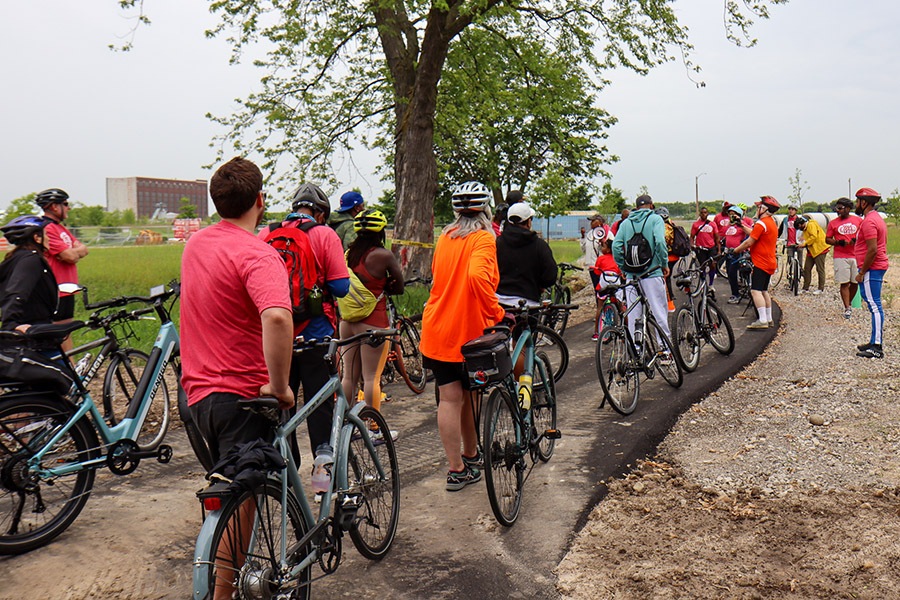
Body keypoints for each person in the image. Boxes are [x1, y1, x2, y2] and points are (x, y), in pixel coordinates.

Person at [180, 156, 294, 467]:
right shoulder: (259, 254)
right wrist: (280, 387)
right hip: (244, 397)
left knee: (226, 487)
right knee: (245, 499)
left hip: (198, 396)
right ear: (260, 200)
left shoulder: (196, 244)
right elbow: (277, 317)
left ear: (217, 204)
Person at [420, 181, 505, 491]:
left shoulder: (445, 236)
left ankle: (462, 463)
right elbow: (477, 277)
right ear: (485, 209)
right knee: (469, 394)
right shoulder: (484, 239)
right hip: (467, 331)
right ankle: (466, 459)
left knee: (451, 396)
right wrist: (496, 313)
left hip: (436, 326)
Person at [262, 183, 351, 455]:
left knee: (281, 404)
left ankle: (285, 469)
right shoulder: (324, 234)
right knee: (319, 401)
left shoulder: (267, 232)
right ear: (321, 214)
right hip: (316, 332)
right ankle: (323, 462)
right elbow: (341, 288)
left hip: (276, 335)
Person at [339, 209, 404, 414]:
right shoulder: (383, 255)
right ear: (381, 231)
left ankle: (344, 424)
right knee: (371, 378)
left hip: (347, 322)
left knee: (348, 376)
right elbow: (399, 287)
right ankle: (374, 428)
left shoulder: (348, 254)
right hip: (373, 323)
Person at [612, 194, 673, 344]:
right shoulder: (656, 219)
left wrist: (623, 267)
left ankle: (637, 352)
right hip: (652, 273)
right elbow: (659, 242)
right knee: (659, 311)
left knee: (633, 315)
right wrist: (664, 263)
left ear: (637, 207)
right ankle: (664, 348)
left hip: (632, 275)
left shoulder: (626, 223)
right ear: (651, 205)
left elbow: (616, 246)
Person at [35, 188, 88, 351]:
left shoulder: (61, 228)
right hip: (55, 290)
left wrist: (73, 252)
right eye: (65, 204)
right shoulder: (47, 228)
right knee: (58, 334)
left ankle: (69, 369)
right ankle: (64, 369)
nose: (69, 208)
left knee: (66, 332)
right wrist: (72, 252)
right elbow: (69, 256)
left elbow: (83, 249)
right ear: (54, 207)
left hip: (67, 289)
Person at [730, 195, 780, 329]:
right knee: (764, 290)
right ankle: (768, 319)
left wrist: (735, 250)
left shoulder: (761, 223)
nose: (757, 209)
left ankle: (762, 320)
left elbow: (749, 241)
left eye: (759, 207)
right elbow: (754, 233)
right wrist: (741, 224)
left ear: (764, 209)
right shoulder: (771, 222)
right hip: (770, 261)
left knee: (755, 291)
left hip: (761, 262)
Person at [0, 216, 58, 332]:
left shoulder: (17, 257)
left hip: (36, 325)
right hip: (32, 330)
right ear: (37, 238)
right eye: (46, 234)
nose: (48, 239)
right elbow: (16, 291)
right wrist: (10, 324)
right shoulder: (31, 260)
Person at [496, 203, 556, 307]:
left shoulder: (497, 243)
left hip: (499, 303)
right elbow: (550, 275)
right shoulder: (539, 245)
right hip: (529, 304)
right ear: (528, 222)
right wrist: (541, 285)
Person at [853, 187, 889, 359]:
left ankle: (876, 346)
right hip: (876, 266)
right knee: (874, 304)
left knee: (875, 306)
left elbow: (872, 249)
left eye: (857, 201)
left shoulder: (869, 222)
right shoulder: (875, 218)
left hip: (872, 268)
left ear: (864, 202)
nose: (856, 204)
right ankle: (874, 340)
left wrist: (862, 272)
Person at [825, 197, 862, 319]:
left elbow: (863, 234)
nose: (838, 210)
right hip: (841, 256)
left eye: (840, 208)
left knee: (855, 282)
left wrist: (855, 240)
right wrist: (838, 242)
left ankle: (849, 302)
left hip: (856, 255)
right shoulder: (833, 223)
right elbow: (827, 239)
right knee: (844, 283)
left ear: (847, 209)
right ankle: (847, 307)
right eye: (837, 208)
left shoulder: (858, 220)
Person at [591, 237, 622, 340]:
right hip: (615, 280)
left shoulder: (601, 258)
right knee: (621, 305)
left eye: (603, 246)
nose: (601, 247)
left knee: (600, 306)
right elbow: (620, 271)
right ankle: (626, 327)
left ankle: (596, 332)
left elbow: (596, 271)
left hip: (604, 280)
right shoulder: (617, 258)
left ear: (608, 249)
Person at [722, 204, 752, 304]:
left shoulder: (741, 224)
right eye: (730, 214)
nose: (731, 216)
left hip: (739, 252)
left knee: (744, 273)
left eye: (734, 214)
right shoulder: (729, 225)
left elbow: (751, 233)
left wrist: (740, 224)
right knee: (731, 274)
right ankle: (735, 294)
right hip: (729, 253)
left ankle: (749, 292)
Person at [795, 215, 829, 294]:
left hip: (820, 249)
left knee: (820, 269)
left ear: (802, 224)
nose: (800, 229)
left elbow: (813, 236)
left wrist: (804, 244)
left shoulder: (811, 225)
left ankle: (821, 288)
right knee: (807, 269)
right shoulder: (804, 229)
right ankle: (805, 288)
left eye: (800, 227)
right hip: (812, 250)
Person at [690, 206, 720, 286]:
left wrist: (719, 250)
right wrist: (692, 245)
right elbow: (692, 237)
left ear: (708, 214)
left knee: (712, 265)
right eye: (702, 213)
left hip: (711, 248)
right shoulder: (696, 224)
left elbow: (717, 238)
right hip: (700, 248)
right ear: (699, 214)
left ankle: (711, 285)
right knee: (702, 267)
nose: (703, 214)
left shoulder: (712, 224)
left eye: (705, 213)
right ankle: (703, 284)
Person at [655, 207, 678, 312]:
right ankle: (670, 297)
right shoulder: (672, 224)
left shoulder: (663, 228)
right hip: (674, 256)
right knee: (667, 278)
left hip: (668, 256)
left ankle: (669, 303)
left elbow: (661, 244)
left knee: (665, 278)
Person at [778, 203, 802, 271]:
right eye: (790, 209)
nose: (791, 211)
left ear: (796, 211)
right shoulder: (785, 220)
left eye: (793, 209)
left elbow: (804, 230)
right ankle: (790, 273)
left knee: (800, 260)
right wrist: (777, 237)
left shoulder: (799, 220)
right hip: (789, 243)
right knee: (790, 260)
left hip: (798, 243)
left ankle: (800, 271)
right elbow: (780, 230)